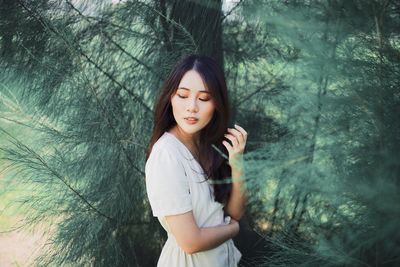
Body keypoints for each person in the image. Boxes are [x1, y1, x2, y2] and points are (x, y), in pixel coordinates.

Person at [145, 54, 248, 267]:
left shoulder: (209, 144)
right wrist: (233, 228)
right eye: (183, 95)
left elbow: (234, 212)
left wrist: (237, 164)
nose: (192, 107)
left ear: (217, 103)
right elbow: (190, 242)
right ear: (170, 98)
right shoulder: (167, 155)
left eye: (203, 98)